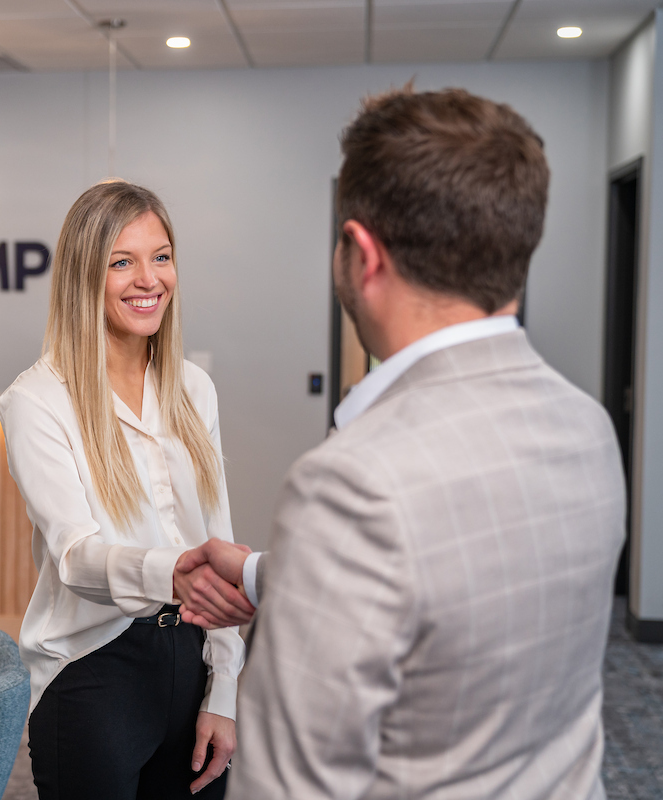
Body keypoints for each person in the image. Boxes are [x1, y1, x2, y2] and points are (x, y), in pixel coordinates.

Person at [173, 87, 625, 799]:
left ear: (361, 254)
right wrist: (265, 574)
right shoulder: (587, 425)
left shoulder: (353, 481)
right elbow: (461, 585)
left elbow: (289, 787)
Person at [0, 180, 252, 800]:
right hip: (92, 674)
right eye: (122, 261)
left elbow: (219, 541)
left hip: (190, 660)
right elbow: (76, 556)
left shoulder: (194, 389)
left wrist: (224, 690)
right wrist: (176, 574)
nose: (149, 279)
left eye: (161, 256)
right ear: (85, 275)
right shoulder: (36, 401)